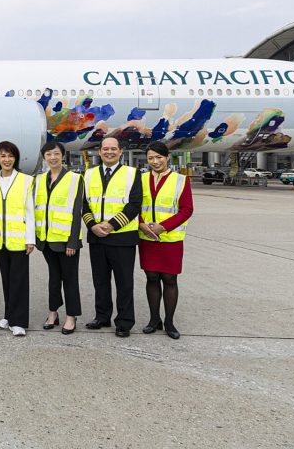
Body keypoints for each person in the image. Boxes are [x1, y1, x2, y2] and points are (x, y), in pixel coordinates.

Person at [83, 136, 142, 337]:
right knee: (100, 280)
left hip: (122, 237)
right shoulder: (89, 175)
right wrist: (92, 225)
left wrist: (111, 224)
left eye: (113, 149)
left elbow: (134, 204)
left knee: (124, 282)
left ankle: (124, 321)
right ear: (99, 152)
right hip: (97, 236)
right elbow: (83, 203)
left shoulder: (132, 174)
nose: (109, 152)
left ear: (120, 152)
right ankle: (102, 316)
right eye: (105, 149)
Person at [138, 140, 193, 340]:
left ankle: (169, 321)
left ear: (167, 157)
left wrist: (164, 226)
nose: (155, 161)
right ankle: (154, 319)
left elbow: (187, 209)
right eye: (151, 158)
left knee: (170, 279)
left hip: (170, 239)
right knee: (151, 278)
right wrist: (141, 224)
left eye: (159, 157)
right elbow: (134, 206)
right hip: (147, 237)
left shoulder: (181, 180)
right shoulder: (141, 179)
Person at [34, 141, 87, 335]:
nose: (52, 158)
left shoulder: (74, 179)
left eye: (56, 154)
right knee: (54, 279)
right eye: (48, 154)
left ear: (62, 155)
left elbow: (76, 212)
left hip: (66, 242)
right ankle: (53, 313)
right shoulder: (40, 180)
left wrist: (73, 241)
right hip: (47, 240)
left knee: (70, 279)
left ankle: (71, 316)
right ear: (44, 157)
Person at [0, 140, 35, 337]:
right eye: (3, 156)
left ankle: (19, 321)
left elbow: (30, 212)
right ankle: (8, 315)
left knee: (19, 281)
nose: (7, 159)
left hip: (19, 239)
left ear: (16, 158)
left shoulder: (25, 180)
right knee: (6, 279)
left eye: (11, 156)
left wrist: (30, 239)